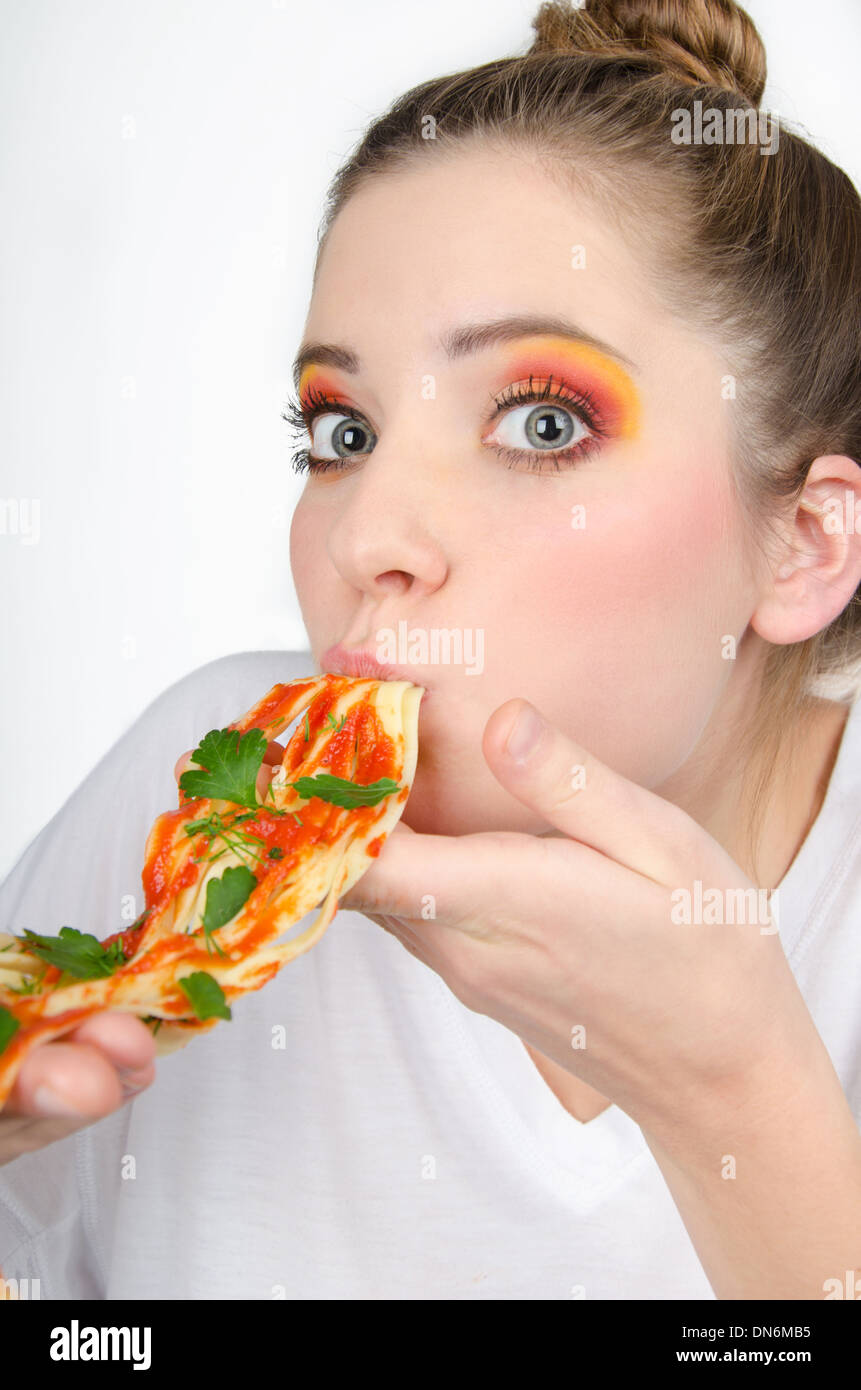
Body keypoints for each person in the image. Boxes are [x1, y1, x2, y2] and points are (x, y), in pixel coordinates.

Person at [1, 0, 860, 1300]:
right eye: (341, 433)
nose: (369, 537)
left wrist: (736, 1091)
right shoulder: (200, 809)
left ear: (800, 545)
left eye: (538, 423)